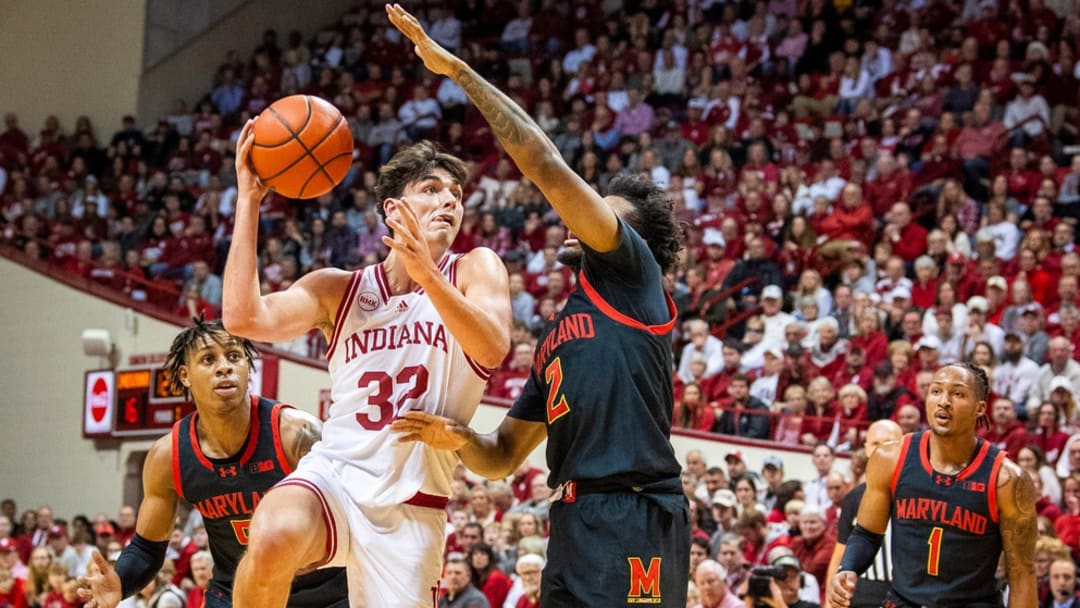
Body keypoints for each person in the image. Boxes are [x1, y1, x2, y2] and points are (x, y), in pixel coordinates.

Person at [385, 5, 689, 607]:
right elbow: (501, 456)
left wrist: (459, 73)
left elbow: (543, 164)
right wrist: (457, 436)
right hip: (571, 523)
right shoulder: (557, 335)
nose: (580, 217)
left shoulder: (635, 276)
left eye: (602, 214)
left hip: (634, 512)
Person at [224, 65, 511, 608]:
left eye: (457, 194)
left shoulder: (474, 268)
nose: (450, 201)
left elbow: (492, 347)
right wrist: (249, 201)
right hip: (335, 473)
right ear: (393, 210)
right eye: (432, 190)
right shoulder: (338, 289)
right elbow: (243, 318)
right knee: (272, 534)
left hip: (412, 504)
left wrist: (427, 275)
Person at [76, 319, 348, 608]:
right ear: (185, 375)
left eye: (234, 356)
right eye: (208, 359)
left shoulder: (295, 433)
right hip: (235, 592)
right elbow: (147, 548)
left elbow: (355, 513)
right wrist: (121, 581)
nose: (224, 367)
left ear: (248, 367)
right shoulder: (168, 456)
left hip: (322, 591)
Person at [827, 363, 1037, 608]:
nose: (944, 401)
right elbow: (867, 533)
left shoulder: (1007, 480)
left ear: (980, 408)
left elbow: (1022, 572)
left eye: (957, 393)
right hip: (903, 601)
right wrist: (848, 568)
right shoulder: (889, 459)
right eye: (936, 391)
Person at [824, 419, 903, 608]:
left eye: (888, 442)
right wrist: (829, 602)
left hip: (904, 590)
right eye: (875, 443)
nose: (881, 449)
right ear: (867, 449)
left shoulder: (916, 492)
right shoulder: (853, 498)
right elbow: (840, 553)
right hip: (863, 591)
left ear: (902, 446)